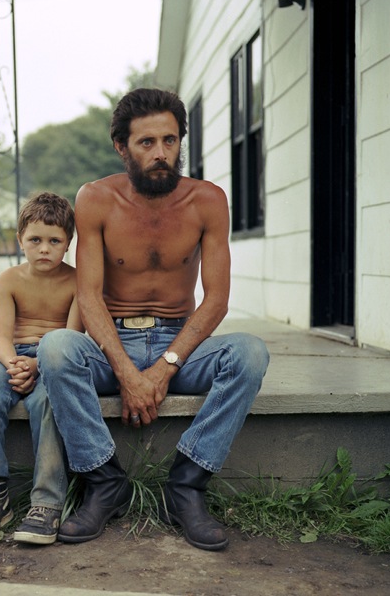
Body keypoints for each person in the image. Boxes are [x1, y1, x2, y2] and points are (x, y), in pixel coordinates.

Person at [37, 88, 270, 551]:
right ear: (122, 147)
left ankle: (186, 485)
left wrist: (164, 367)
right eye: (146, 143)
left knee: (250, 353)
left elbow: (217, 299)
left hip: (179, 343)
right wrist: (126, 371)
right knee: (55, 347)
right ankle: (105, 481)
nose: (161, 153)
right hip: (113, 341)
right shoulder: (96, 199)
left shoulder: (208, 201)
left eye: (170, 140)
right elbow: (88, 295)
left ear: (182, 141)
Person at [0, 191, 83, 546]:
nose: (45, 248)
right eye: (35, 240)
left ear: (68, 243)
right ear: (20, 241)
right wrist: (14, 364)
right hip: (12, 358)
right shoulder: (9, 279)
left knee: (49, 403)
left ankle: (46, 503)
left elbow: (72, 337)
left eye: (55, 241)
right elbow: (1, 336)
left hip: (55, 360)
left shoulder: (77, 281)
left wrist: (38, 365)